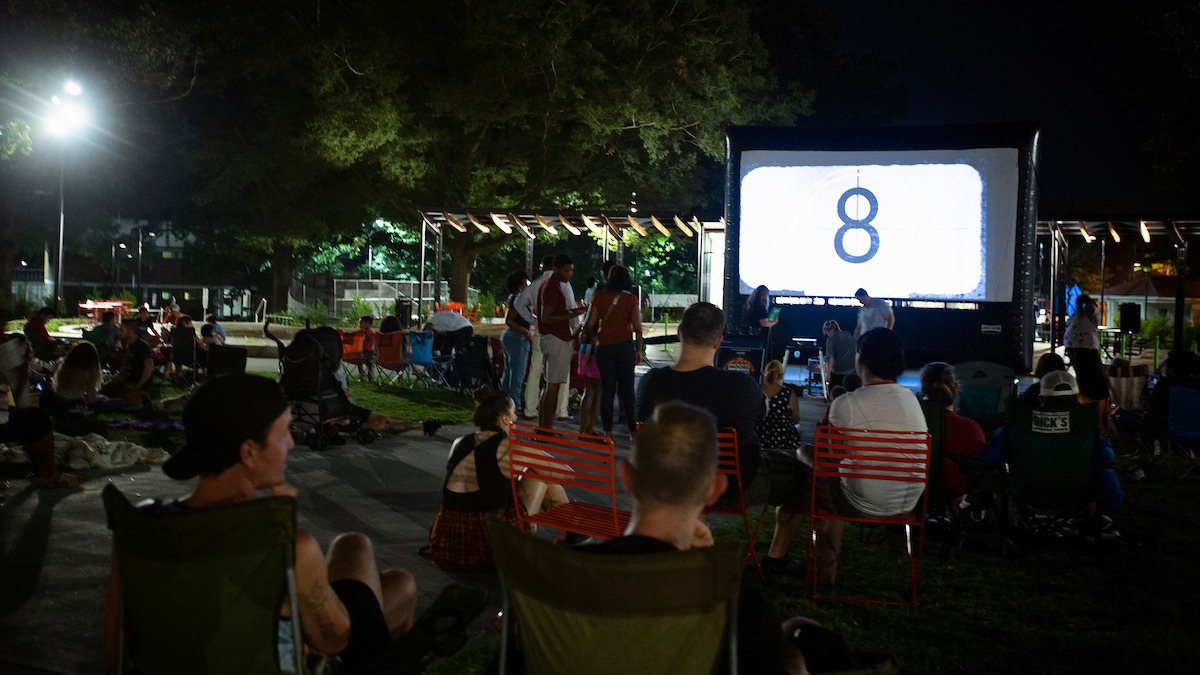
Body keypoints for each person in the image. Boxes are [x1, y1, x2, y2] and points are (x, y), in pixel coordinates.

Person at [103, 374, 418, 673]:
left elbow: (116, 648)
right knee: (397, 585)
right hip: (312, 658)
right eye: (283, 435)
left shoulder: (140, 525)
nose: (291, 446)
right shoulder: (286, 547)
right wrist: (286, 533)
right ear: (249, 451)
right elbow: (333, 640)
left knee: (360, 550)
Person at [581, 401, 816, 675]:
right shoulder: (741, 613)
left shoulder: (563, 577)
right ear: (714, 490)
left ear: (626, 478)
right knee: (799, 634)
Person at [773, 328, 927, 586]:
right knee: (831, 473)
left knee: (811, 462)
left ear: (861, 357)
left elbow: (830, 459)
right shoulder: (912, 401)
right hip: (908, 501)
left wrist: (804, 454)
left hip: (862, 501)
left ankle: (822, 574)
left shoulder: (846, 404)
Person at [426, 389, 567, 572]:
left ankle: (575, 536)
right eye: (514, 412)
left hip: (447, 543)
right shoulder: (509, 448)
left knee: (532, 476)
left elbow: (486, 479)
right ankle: (575, 536)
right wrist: (537, 458)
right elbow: (564, 473)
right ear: (505, 418)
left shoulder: (459, 442)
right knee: (538, 474)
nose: (516, 418)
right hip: (488, 544)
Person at [636, 301, 766, 497]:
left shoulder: (650, 383)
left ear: (680, 332)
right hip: (727, 488)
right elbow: (764, 411)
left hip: (666, 483)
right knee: (796, 476)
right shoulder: (743, 385)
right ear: (718, 341)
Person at [981, 370, 1123, 516]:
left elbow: (987, 458)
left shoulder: (1018, 428)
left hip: (1027, 496)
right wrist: (1113, 504)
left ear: (1041, 400)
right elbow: (1108, 475)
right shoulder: (1090, 436)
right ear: (1077, 398)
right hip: (1077, 498)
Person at [0, 333, 81, 489]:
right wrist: (22, 369)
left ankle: (44, 472)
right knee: (37, 419)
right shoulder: (6, 351)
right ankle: (49, 474)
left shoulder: (9, 351)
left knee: (28, 420)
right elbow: (22, 401)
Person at [581, 265, 643, 438]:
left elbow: (590, 324)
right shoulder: (631, 300)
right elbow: (637, 328)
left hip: (604, 349)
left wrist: (589, 335)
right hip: (624, 348)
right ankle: (632, 431)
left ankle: (607, 433)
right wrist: (638, 350)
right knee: (627, 390)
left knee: (607, 390)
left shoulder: (598, 297)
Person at [514, 256, 572, 420]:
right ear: (556, 267)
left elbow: (518, 304)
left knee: (535, 369)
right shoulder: (563, 284)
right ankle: (561, 411)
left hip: (541, 330)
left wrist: (533, 319)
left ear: (542, 267)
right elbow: (571, 306)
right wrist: (574, 328)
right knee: (561, 374)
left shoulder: (535, 285)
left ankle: (530, 409)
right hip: (558, 332)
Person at [919, 362, 986, 498]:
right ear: (955, 388)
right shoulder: (969, 429)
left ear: (924, 389)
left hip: (916, 493)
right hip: (953, 495)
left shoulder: (914, 423)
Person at [536, 254, 586, 429]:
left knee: (549, 386)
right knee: (553, 388)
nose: (570, 273)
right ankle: (546, 429)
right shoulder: (551, 288)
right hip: (556, 340)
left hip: (552, 339)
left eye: (571, 270)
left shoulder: (552, 286)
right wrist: (573, 314)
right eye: (566, 270)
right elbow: (547, 317)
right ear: (555, 269)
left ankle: (544, 428)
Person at [51, 341, 126, 412]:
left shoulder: (64, 367)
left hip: (60, 401)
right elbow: (90, 398)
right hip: (77, 404)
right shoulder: (89, 372)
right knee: (119, 402)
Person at [100, 318, 155, 406]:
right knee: (104, 390)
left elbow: (149, 368)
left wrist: (137, 387)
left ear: (131, 331)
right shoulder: (127, 347)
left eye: (121, 330)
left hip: (136, 384)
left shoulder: (142, 346)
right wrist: (109, 384)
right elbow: (123, 371)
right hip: (128, 382)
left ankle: (139, 397)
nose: (118, 332)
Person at [499, 270, 532, 408]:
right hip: (517, 338)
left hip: (509, 336)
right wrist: (525, 331)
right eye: (527, 282)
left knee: (509, 371)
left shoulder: (513, 297)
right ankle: (514, 405)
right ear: (521, 284)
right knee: (517, 374)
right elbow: (510, 320)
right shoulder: (518, 299)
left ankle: (503, 402)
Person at [1063, 294, 1100, 366]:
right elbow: (1096, 322)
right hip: (1088, 343)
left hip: (1071, 341)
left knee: (1076, 363)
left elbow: (1068, 323)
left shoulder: (1077, 314)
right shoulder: (1092, 313)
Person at [822, 319, 856, 388]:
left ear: (830, 330)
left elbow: (831, 358)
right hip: (852, 370)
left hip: (839, 372)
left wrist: (827, 374)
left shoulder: (831, 340)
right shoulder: (848, 334)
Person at [354, 315, 378, 382]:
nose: (360, 324)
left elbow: (363, 341)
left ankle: (363, 376)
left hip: (366, 353)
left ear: (368, 324)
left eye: (361, 323)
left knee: (361, 360)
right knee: (367, 362)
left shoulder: (366, 333)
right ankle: (369, 377)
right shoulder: (371, 333)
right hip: (367, 353)